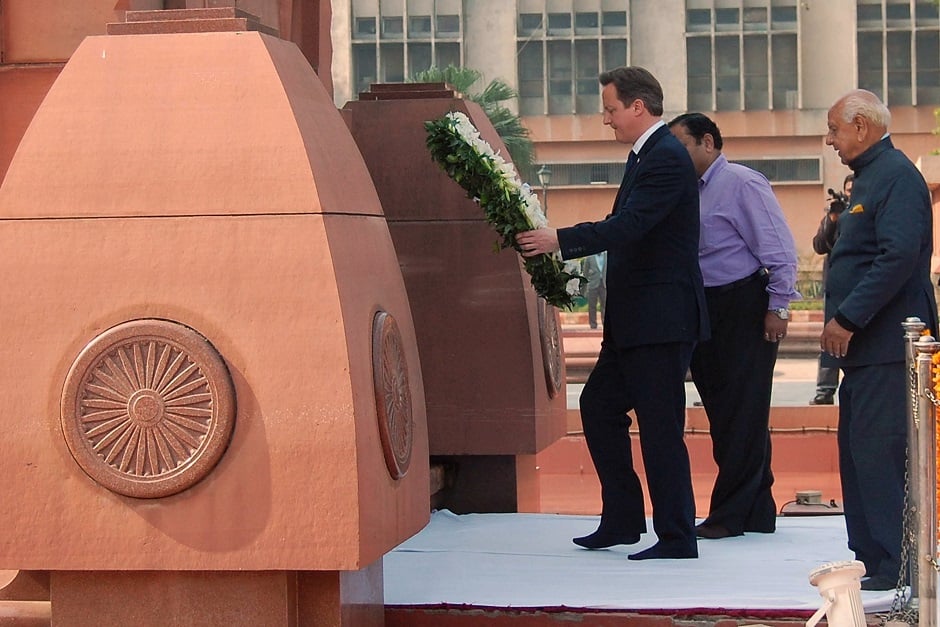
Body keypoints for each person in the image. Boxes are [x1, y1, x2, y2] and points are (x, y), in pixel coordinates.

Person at [515, 66, 707, 560]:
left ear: (637, 107)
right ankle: (623, 519)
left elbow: (630, 226)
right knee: (599, 407)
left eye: (611, 108)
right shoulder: (647, 156)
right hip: (636, 323)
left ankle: (677, 537)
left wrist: (560, 240)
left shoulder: (665, 157)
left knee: (660, 429)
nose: (606, 119)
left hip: (659, 322)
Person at [822, 89, 938, 591]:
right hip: (868, 352)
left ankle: (897, 561)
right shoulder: (871, 176)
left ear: (863, 126)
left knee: (880, 453)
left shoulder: (896, 177)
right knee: (857, 450)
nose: (830, 141)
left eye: (835, 130)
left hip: (890, 348)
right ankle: (872, 553)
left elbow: (897, 257)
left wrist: (847, 317)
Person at [668, 113, 799, 540]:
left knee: (742, 411)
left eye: (682, 145)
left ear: (708, 143)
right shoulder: (686, 190)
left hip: (743, 304)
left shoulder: (743, 183)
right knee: (726, 413)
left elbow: (779, 250)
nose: (676, 155)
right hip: (704, 306)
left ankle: (728, 514)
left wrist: (778, 307)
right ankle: (758, 510)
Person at [810, 174, 854, 405]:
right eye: (846, 189)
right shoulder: (835, 215)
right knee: (829, 338)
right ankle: (825, 389)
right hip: (835, 287)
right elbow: (819, 245)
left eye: (853, 189)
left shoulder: (866, 211)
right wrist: (832, 218)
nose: (849, 193)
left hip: (858, 287)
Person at [581, 252, 607, 329]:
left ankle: (605, 323)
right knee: (592, 305)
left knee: (605, 305)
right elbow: (585, 273)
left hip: (604, 284)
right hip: (593, 284)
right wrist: (584, 288)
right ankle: (593, 324)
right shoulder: (589, 257)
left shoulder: (607, 255)